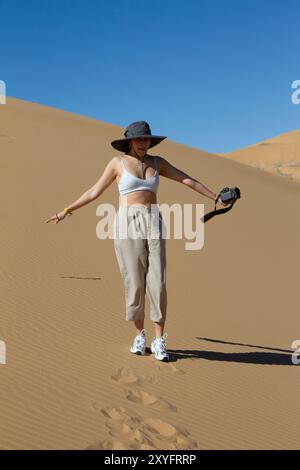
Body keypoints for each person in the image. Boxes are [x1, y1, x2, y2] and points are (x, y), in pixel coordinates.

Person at [45, 121, 231, 362]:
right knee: (134, 281)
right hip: (127, 223)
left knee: (158, 281)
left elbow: (187, 179)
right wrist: (66, 210)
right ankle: (139, 336)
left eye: (146, 139)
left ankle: (159, 339)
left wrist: (215, 196)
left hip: (154, 221)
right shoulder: (118, 163)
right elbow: (94, 191)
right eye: (139, 139)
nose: (143, 143)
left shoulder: (158, 162)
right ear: (130, 141)